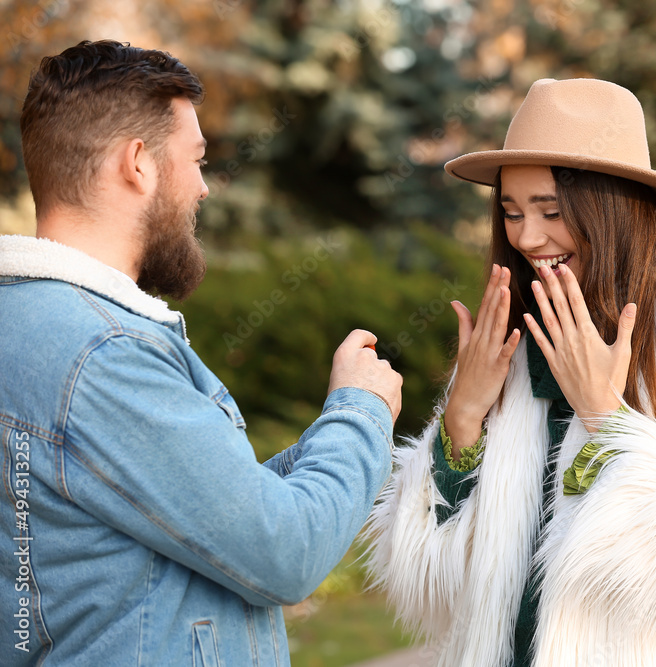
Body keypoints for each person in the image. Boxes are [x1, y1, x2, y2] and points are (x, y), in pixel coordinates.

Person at [364, 78, 656, 666]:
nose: (526, 236)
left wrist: (608, 420)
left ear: (613, 206)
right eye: (512, 211)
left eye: (551, 210)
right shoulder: (514, 338)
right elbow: (431, 585)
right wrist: (463, 419)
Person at [0, 40, 402, 666]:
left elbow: (189, 514)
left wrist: (321, 439)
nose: (205, 189)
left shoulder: (23, 324)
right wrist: (361, 407)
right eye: (196, 159)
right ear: (138, 163)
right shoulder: (103, 354)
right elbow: (284, 552)